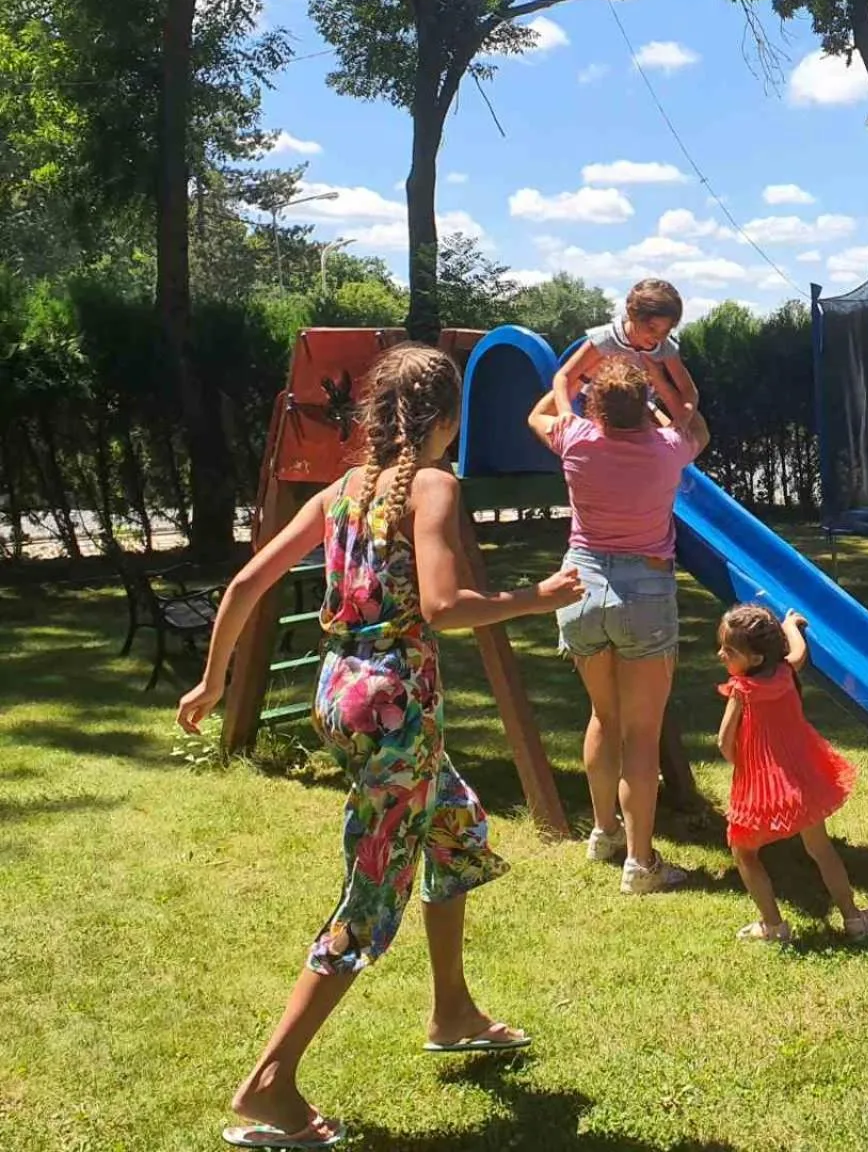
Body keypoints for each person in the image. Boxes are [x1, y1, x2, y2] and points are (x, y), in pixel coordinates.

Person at [177, 343, 583, 1149]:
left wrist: (213, 682)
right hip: (395, 707)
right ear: (447, 420)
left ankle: (453, 1010)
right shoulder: (433, 485)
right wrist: (536, 599)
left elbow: (245, 584)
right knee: (371, 893)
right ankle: (270, 1083)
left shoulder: (340, 491)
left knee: (458, 824)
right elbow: (443, 605)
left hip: (341, 692)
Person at [527, 357, 710, 894]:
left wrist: (570, 386)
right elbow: (696, 425)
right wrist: (663, 393)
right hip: (645, 593)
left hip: (579, 586)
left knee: (603, 717)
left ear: (596, 408)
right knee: (640, 733)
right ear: (642, 408)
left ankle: (604, 832)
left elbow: (537, 415)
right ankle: (640, 863)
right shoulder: (668, 448)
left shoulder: (576, 439)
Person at [716, 604, 868, 943]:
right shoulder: (786, 673)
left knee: (744, 852)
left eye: (729, 650)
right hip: (803, 779)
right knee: (820, 849)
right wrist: (790, 624)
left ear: (756, 659)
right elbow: (799, 650)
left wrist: (744, 765)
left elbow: (723, 742)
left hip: (763, 783)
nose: (720, 654)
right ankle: (853, 919)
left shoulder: (741, 691)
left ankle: (773, 926)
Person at [552, 278, 700, 425]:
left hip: (637, 407)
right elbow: (563, 376)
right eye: (652, 328)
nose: (658, 337)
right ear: (631, 314)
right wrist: (565, 411)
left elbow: (688, 390)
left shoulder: (665, 349)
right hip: (595, 405)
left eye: (666, 331)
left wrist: (682, 421)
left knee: (682, 438)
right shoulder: (606, 340)